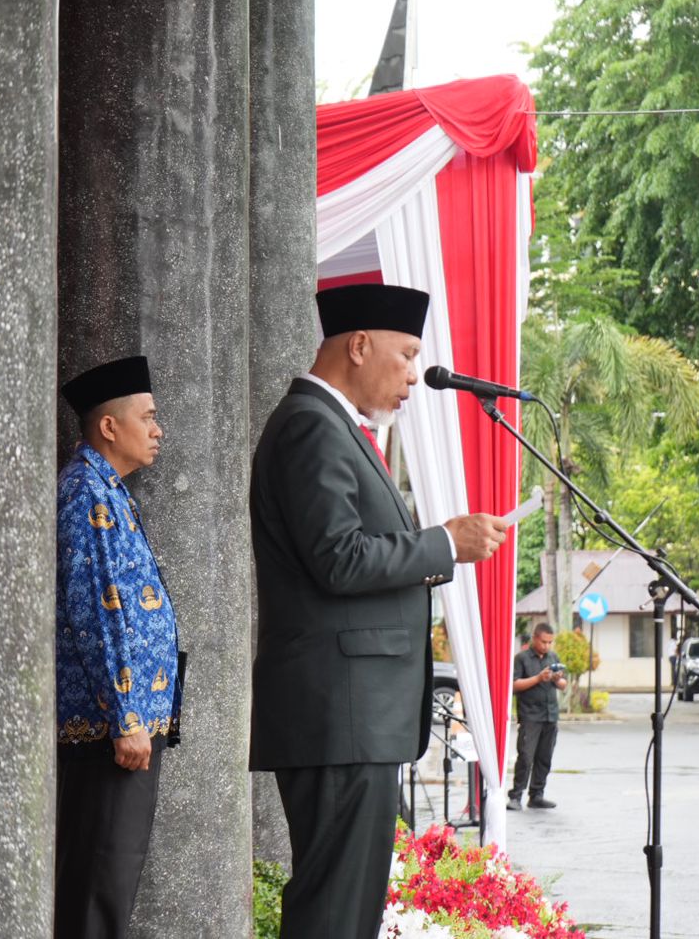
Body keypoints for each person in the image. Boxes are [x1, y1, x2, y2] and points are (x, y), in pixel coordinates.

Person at [250, 284, 508, 939]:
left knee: (346, 908)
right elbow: (338, 558)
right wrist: (444, 542)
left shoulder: (334, 427)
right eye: (408, 354)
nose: (415, 376)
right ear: (359, 345)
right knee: (334, 912)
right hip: (340, 711)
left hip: (351, 713)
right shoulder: (312, 425)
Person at [54, 355, 185, 939]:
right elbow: (99, 614)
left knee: (110, 883)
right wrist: (126, 716)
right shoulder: (90, 494)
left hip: (123, 726)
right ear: (110, 427)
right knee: (96, 891)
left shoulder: (107, 489)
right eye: (148, 417)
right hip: (110, 730)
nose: (158, 430)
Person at [509, 622, 566, 811]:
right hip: (530, 715)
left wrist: (558, 680)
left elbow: (563, 684)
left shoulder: (553, 657)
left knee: (545, 757)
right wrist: (538, 678)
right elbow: (514, 685)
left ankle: (537, 795)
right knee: (526, 756)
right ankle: (516, 796)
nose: (547, 646)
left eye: (550, 642)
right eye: (544, 642)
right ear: (535, 638)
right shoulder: (522, 658)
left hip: (550, 715)